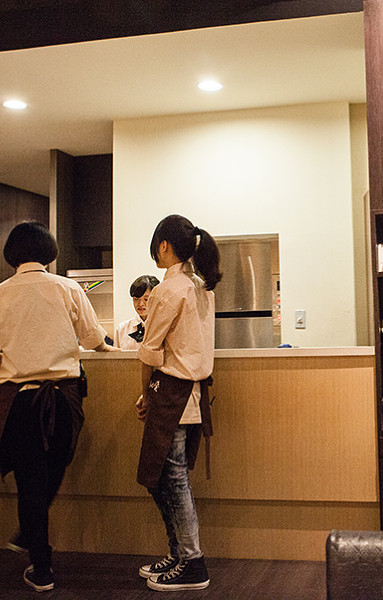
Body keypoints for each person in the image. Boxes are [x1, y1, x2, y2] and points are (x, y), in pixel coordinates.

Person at [0, 221, 114, 592]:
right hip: (63, 399)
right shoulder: (67, 288)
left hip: (18, 401)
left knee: (29, 482)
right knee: (53, 470)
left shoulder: (2, 293)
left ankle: (41, 566)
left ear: (12, 255)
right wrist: (109, 349)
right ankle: (32, 541)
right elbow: (94, 339)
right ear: (49, 252)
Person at [135, 214, 221, 592]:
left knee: (171, 479)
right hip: (193, 395)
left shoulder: (170, 290)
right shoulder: (201, 287)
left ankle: (192, 561)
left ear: (164, 246)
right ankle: (179, 555)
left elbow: (150, 352)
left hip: (171, 393)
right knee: (169, 478)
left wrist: (146, 396)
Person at [114, 275, 160, 349]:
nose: (140, 304)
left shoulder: (165, 327)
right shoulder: (122, 328)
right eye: (136, 299)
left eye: (146, 299)